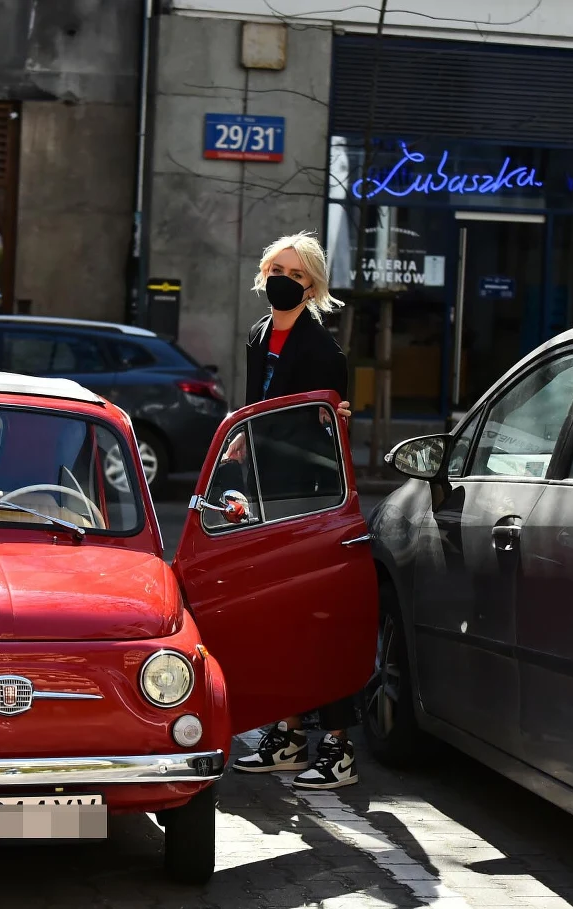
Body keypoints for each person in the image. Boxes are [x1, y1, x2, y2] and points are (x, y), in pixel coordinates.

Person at [226, 230, 361, 791]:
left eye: (297, 274)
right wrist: (244, 438)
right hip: (264, 489)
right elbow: (259, 404)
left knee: (315, 615)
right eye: (277, 270)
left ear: (312, 287)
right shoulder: (259, 335)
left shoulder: (323, 350)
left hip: (307, 497)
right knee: (277, 614)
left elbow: (326, 428)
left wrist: (332, 420)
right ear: (263, 274)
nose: (284, 280)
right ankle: (288, 734)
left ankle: (338, 745)